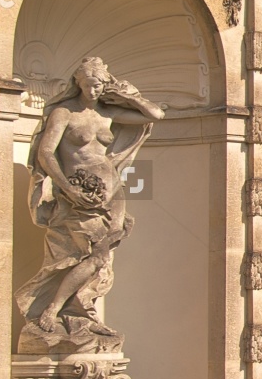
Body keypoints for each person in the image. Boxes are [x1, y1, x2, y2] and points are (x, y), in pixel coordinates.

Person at [16, 56, 165, 353]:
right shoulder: (64, 113)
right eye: (90, 84)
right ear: (78, 84)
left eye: (99, 84)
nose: (94, 90)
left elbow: (155, 115)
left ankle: (84, 309)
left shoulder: (107, 113)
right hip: (77, 194)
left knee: (102, 258)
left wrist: (124, 95)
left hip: (112, 192)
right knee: (89, 255)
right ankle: (52, 310)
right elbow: (47, 154)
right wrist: (68, 188)